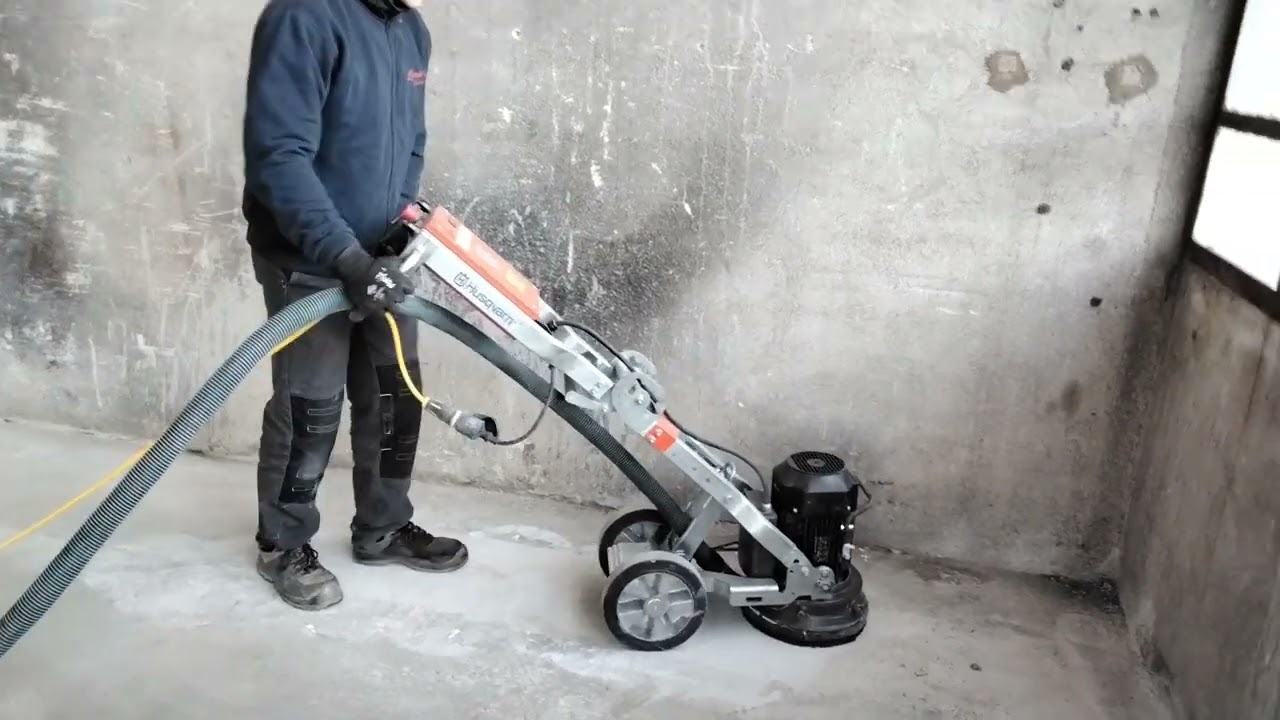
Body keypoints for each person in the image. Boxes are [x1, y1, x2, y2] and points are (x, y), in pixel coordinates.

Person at [239, 0, 467, 611]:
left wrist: (397, 229)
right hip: (309, 260)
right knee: (311, 408)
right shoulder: (303, 17)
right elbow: (278, 156)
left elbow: (411, 143)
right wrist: (345, 256)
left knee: (396, 395)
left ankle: (383, 528)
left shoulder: (408, 27)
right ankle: (282, 544)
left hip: (381, 258)